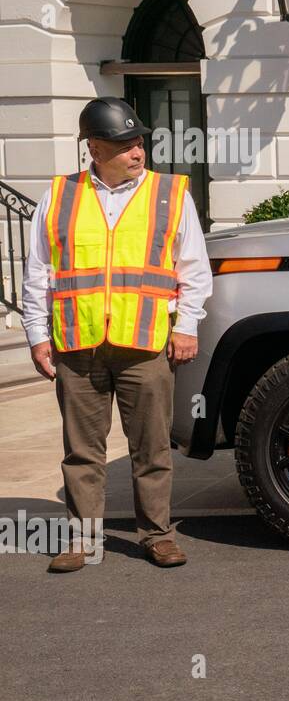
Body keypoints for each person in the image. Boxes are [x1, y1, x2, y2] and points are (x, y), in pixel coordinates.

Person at [22, 97, 212, 572]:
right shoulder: (59, 195)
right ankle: (82, 541)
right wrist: (36, 334)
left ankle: (158, 535)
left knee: (150, 448)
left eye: (139, 142)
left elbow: (194, 268)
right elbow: (39, 272)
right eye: (125, 144)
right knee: (82, 452)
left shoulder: (171, 193)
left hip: (145, 343)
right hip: (76, 343)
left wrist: (186, 324)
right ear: (94, 148)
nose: (137, 151)